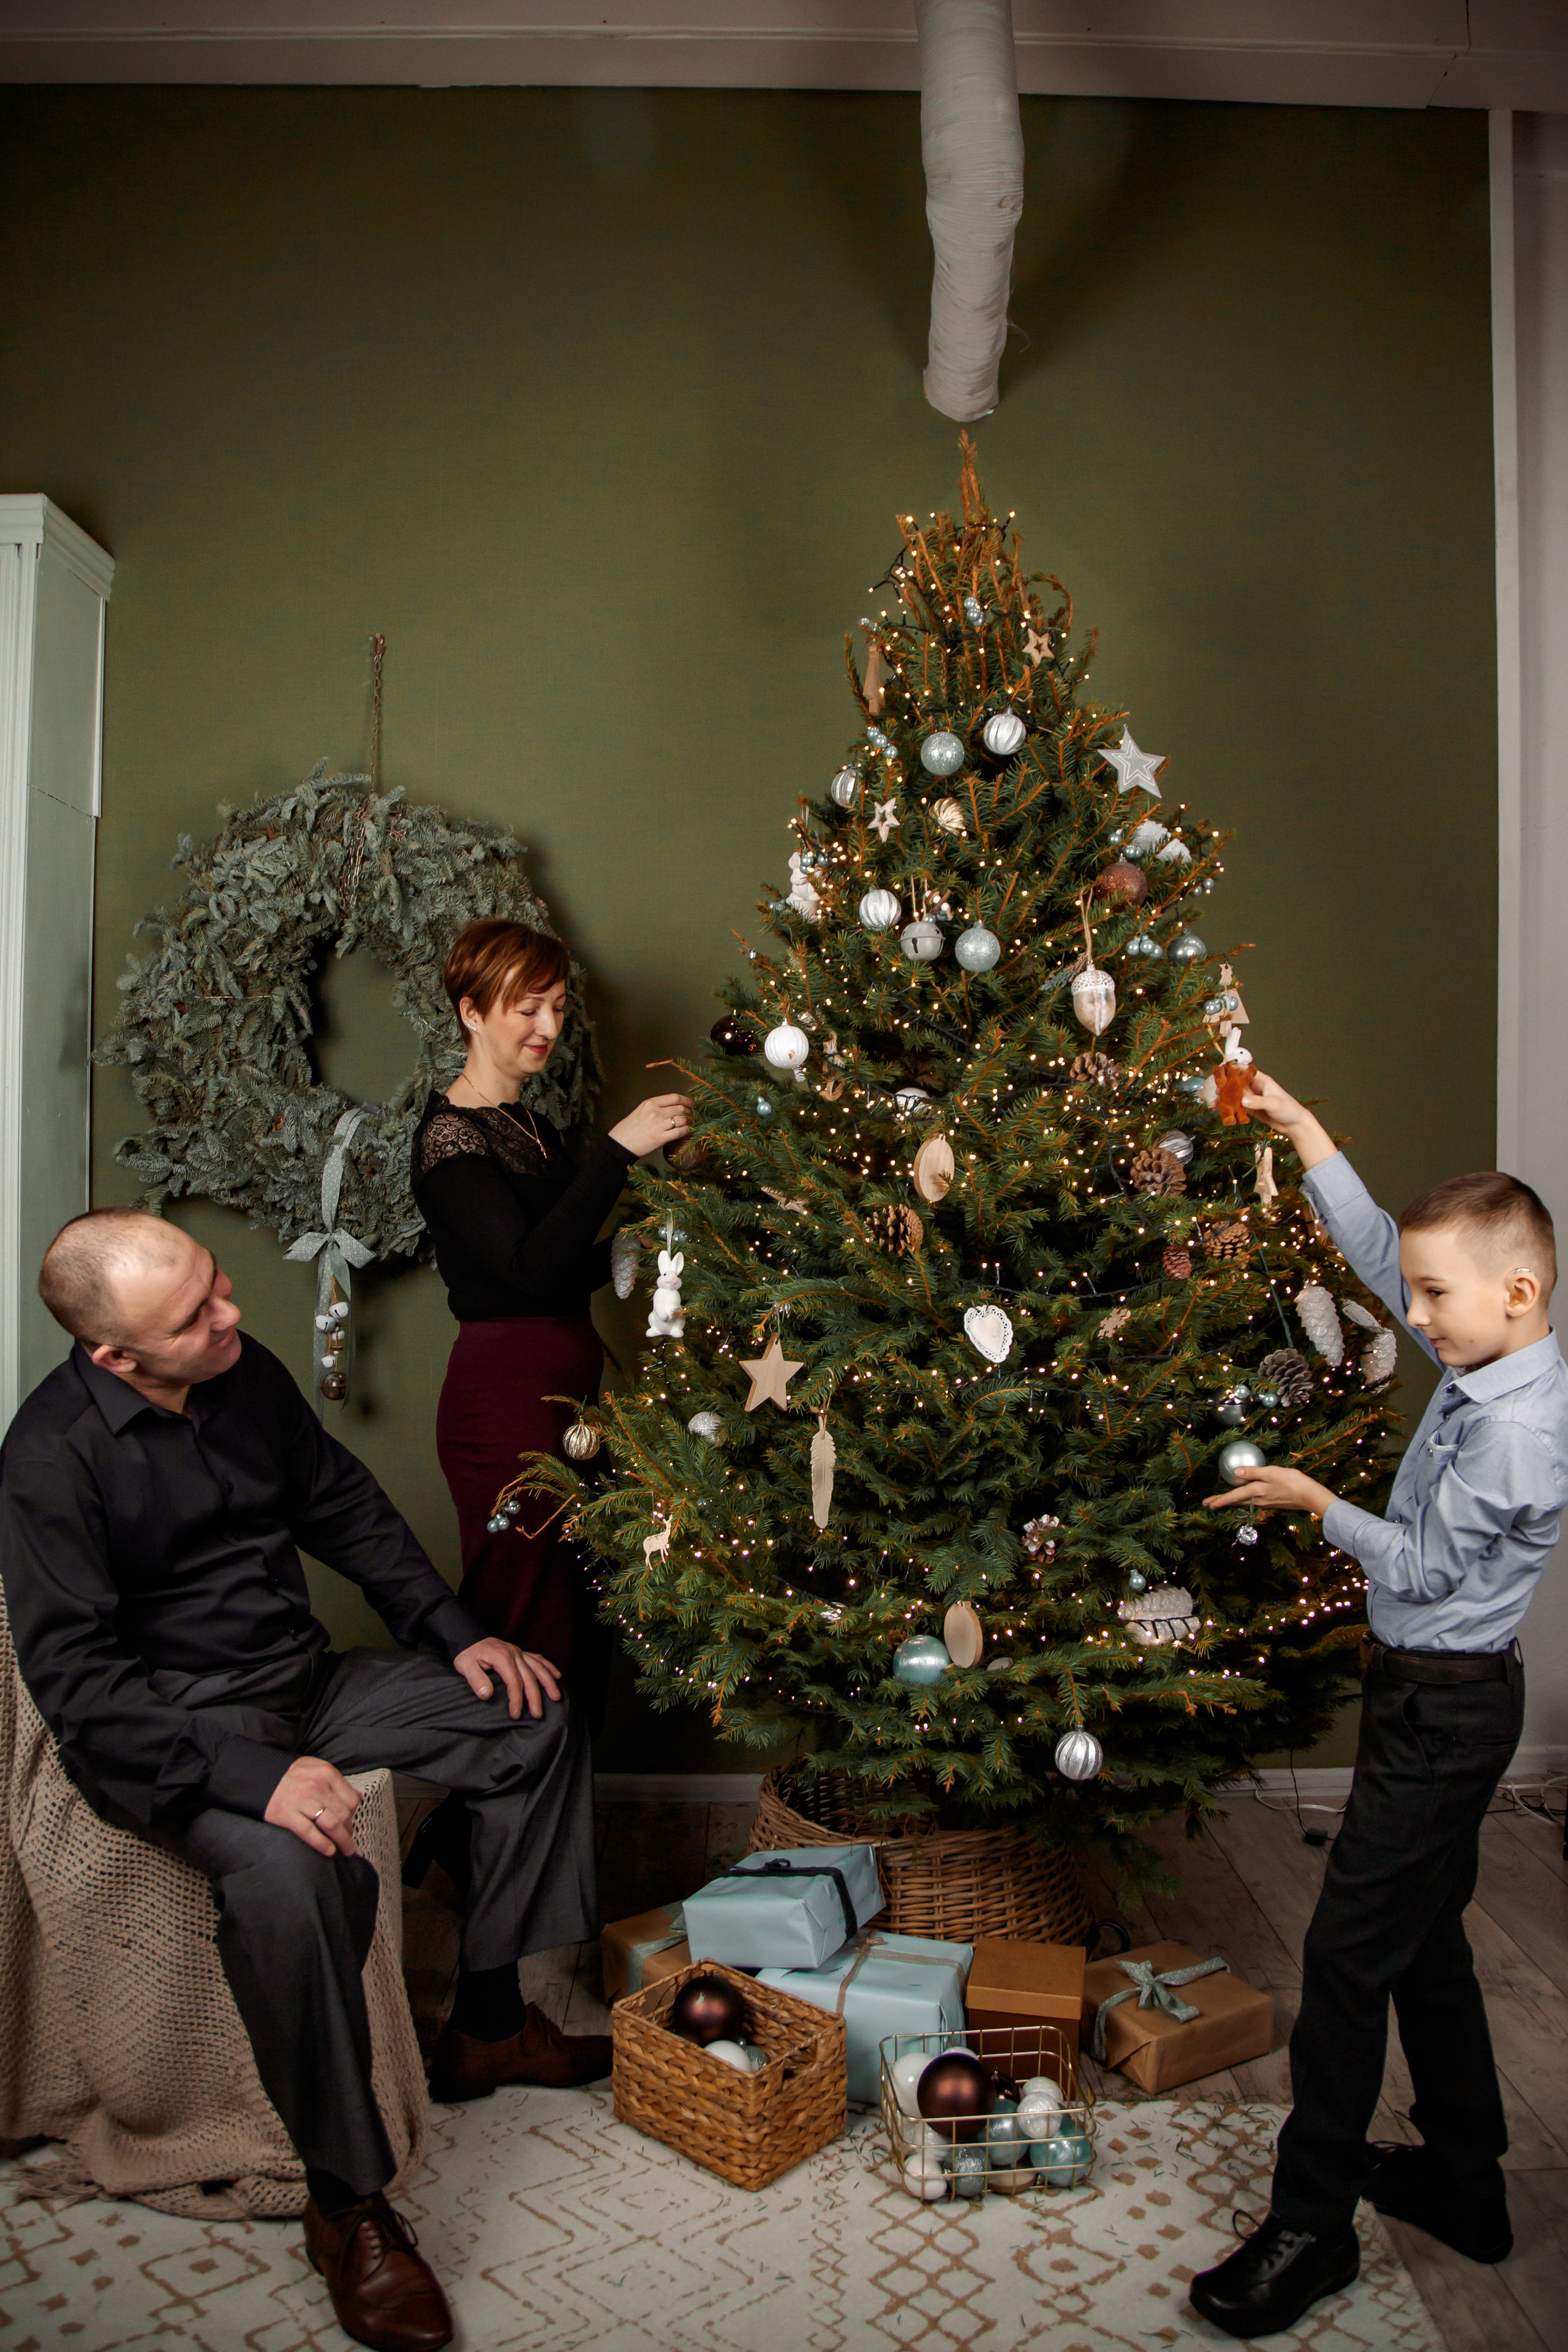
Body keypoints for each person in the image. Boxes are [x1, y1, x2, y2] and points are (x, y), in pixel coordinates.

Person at [0, 1208, 617, 2352]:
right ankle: (348, 2205)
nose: (232, 1314)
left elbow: (342, 1505)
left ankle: (487, 2018)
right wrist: (258, 1778)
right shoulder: (48, 1462)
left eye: (218, 1284)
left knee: (532, 1712)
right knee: (293, 1878)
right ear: (114, 1357)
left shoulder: (244, 1371)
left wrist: (451, 1632)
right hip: (180, 1730)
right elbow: (82, 1696)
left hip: (304, 1680)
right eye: (195, 1317)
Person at [1189, 1072, 1567, 2341]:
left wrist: (1313, 1503)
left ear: (1514, 1291)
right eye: (1413, 1296)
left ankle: (1309, 2226)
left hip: (1448, 1713)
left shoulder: (1516, 1434)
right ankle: (1466, 2184)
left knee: (1348, 1960)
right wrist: (1305, 1136)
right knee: (1429, 1940)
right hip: (1434, 1700)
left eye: (1433, 1299)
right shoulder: (1491, 1351)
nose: (1413, 1318)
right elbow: (1371, 1255)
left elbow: (1414, 1567)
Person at [411, 918, 690, 1701]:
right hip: (502, 1409)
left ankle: (559, 1817)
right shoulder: (449, 1140)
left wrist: (646, 1246)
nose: (549, 1028)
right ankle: (495, 1820)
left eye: (559, 1008)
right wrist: (616, 1152)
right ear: (472, 1012)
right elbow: (527, 1273)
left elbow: (560, 1269)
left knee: (576, 1619)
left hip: (571, 1404)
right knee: (525, 1626)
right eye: (527, 1008)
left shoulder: (531, 1128)